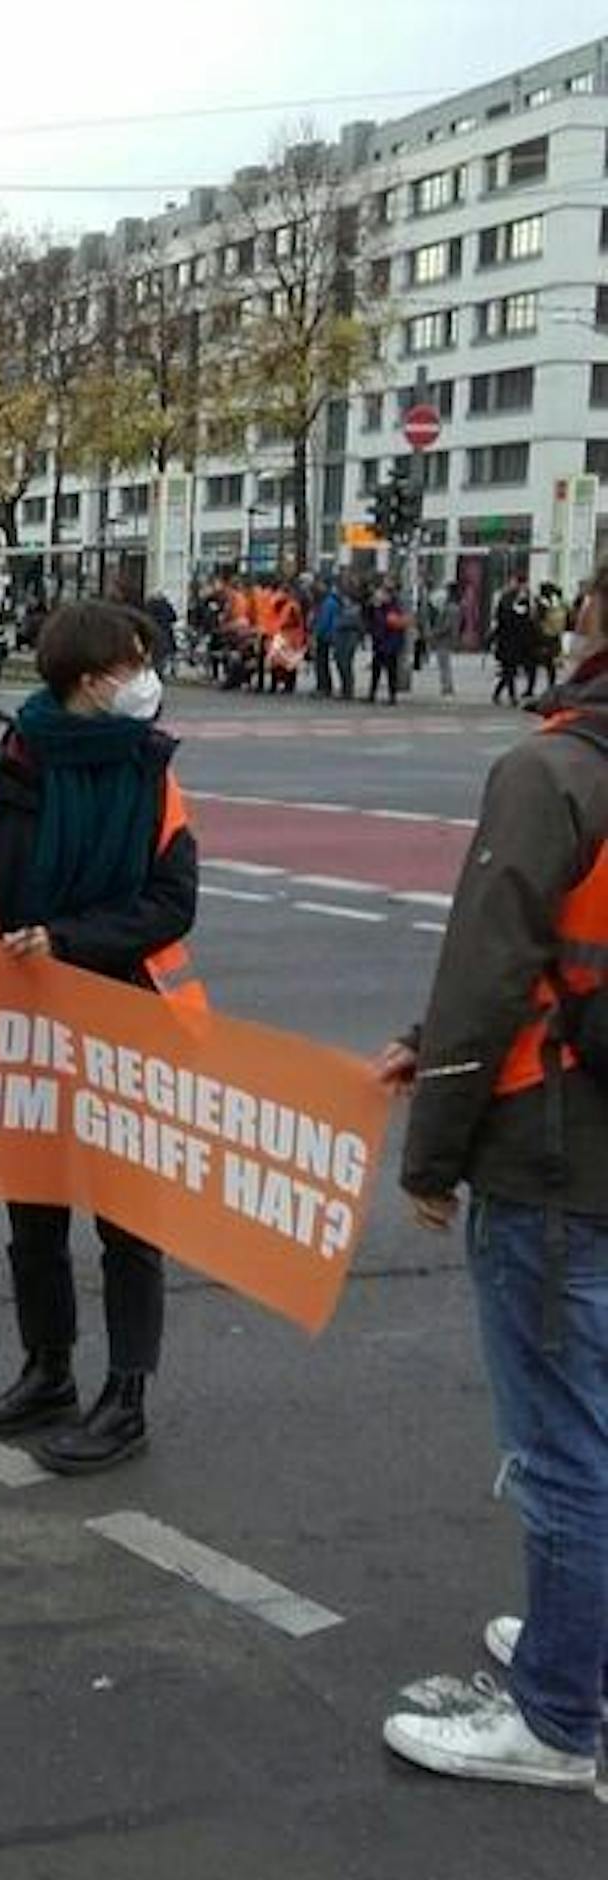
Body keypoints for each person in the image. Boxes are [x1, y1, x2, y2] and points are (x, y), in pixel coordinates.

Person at [376, 562, 608, 1793]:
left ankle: (559, 1714)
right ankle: (582, 1640)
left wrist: (432, 1147)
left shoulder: (554, 773)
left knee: (564, 1442)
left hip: (551, 1145)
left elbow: (490, 968)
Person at [0, 600, 203, 1474]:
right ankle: (47, 1368)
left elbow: (171, 905)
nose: (147, 678)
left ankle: (126, 1396)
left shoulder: (154, 777)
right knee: (36, 1210)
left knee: (127, 1218)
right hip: (23, 1028)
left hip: (124, 1016)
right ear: (91, 681)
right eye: (136, 662)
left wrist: (67, 939)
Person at [491, 570, 535, 707]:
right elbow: (502, 617)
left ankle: (500, 693)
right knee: (509, 669)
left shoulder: (527, 599)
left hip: (519, 641)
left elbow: (528, 619)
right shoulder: (507, 598)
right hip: (507, 640)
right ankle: (510, 695)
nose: (522, 586)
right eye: (518, 582)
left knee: (511, 670)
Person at [366, 581, 406, 706]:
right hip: (381, 644)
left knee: (390, 672)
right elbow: (371, 620)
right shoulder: (379, 607)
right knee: (376, 671)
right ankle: (372, 694)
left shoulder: (393, 607)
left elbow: (391, 624)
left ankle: (392, 696)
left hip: (389, 645)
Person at [423, 580, 461, 698]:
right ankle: (446, 686)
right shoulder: (454, 607)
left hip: (445, 639)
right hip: (447, 639)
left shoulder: (451, 608)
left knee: (444, 664)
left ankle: (447, 687)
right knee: (444, 664)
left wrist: (434, 633)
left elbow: (447, 626)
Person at [530, 583, 567, 701]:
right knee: (549, 665)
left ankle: (532, 688)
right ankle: (550, 686)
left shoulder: (542, 603)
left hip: (543, 638)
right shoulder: (556, 603)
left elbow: (536, 621)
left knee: (536, 664)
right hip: (553, 636)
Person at [333, 575, 366, 700]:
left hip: (349, 636)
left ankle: (348, 689)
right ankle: (345, 688)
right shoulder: (342, 605)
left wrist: (340, 623)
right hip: (342, 635)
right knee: (341, 662)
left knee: (345, 663)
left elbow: (354, 622)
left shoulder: (355, 607)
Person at [311, 576, 340, 699]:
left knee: (321, 663)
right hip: (328, 635)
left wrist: (316, 633)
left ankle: (323, 687)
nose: (318, 586)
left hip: (325, 636)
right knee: (322, 663)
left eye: (320, 584)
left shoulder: (328, 602)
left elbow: (323, 621)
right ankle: (325, 686)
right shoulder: (330, 600)